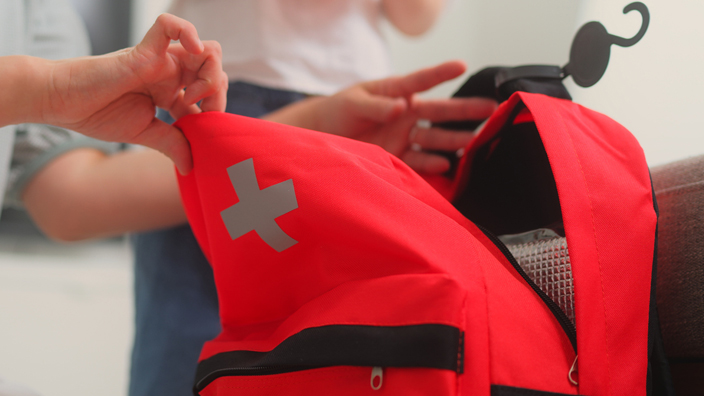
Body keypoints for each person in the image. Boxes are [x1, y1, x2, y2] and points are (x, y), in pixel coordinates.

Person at [129, 2, 455, 395]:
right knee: (188, 356)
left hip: (354, 112)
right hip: (217, 87)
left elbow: (417, 16)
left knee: (343, 354)